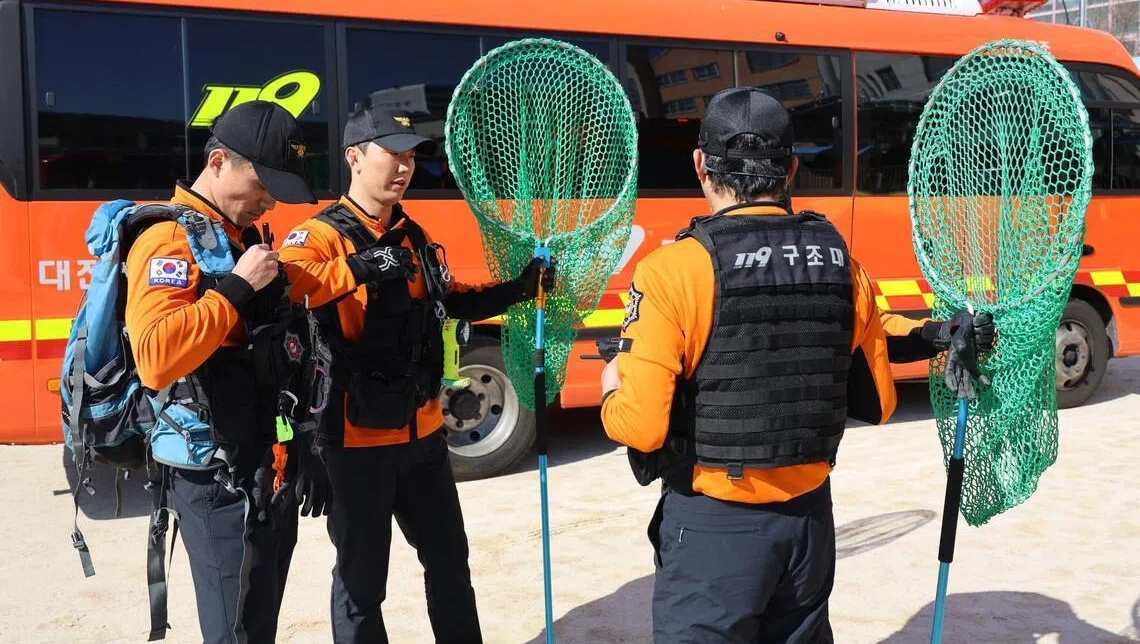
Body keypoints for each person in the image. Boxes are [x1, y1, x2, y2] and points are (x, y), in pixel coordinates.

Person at [598, 87, 992, 644]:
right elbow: (875, 345)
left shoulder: (671, 270)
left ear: (701, 165)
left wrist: (610, 386)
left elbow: (641, 426)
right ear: (791, 169)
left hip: (714, 531)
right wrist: (938, 334)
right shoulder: (839, 261)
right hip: (809, 525)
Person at [279, 104, 554, 644]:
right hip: (356, 443)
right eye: (392, 154)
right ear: (354, 158)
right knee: (361, 585)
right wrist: (359, 267)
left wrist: (517, 290)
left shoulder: (412, 234)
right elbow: (288, 285)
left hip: (425, 435)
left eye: (410, 157)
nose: (404, 167)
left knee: (451, 565)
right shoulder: (318, 236)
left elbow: (447, 299)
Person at [124, 100, 327, 644]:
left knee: (257, 624)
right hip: (215, 478)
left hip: (262, 463)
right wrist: (237, 288)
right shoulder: (167, 240)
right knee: (234, 630)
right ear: (217, 162)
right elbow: (156, 357)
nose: (270, 201)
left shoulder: (238, 237)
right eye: (263, 184)